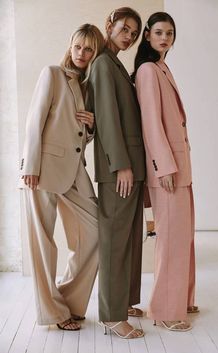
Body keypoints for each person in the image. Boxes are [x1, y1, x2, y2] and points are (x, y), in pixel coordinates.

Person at [19, 24, 104, 331]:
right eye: (78, 46)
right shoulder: (53, 73)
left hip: (75, 170)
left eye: (89, 49)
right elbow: (35, 117)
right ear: (70, 45)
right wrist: (30, 163)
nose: (82, 53)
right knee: (43, 243)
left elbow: (82, 135)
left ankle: (69, 301)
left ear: (95, 53)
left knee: (95, 231)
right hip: (41, 168)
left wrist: (91, 124)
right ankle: (54, 313)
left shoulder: (88, 85)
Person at [133, 12, 198, 332]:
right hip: (168, 169)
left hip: (180, 166)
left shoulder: (161, 67)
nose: (164, 38)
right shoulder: (147, 70)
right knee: (170, 240)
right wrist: (163, 167)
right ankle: (165, 310)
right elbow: (151, 123)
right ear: (147, 35)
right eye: (158, 32)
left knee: (183, 236)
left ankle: (181, 299)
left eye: (169, 33)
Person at [88, 7, 145, 339]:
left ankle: (121, 302)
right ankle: (111, 316)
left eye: (134, 33)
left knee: (129, 239)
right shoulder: (102, 65)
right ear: (109, 26)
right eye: (125, 29)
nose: (129, 36)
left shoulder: (116, 65)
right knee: (114, 242)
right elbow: (108, 119)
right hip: (119, 169)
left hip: (132, 165)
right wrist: (120, 164)